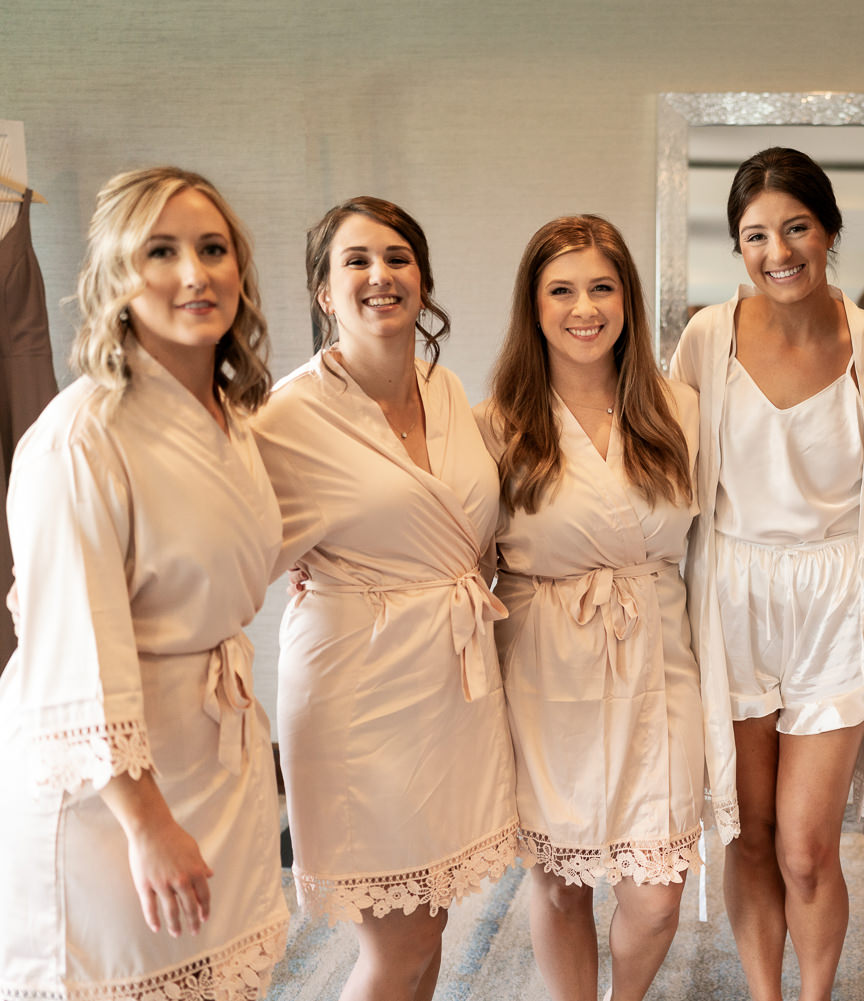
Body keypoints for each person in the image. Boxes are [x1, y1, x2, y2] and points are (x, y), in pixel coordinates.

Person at [0, 167, 287, 998]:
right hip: (108, 793)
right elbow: (74, 649)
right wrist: (147, 823)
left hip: (217, 752)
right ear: (118, 280)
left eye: (212, 248)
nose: (195, 273)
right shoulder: (79, 440)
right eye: (161, 251)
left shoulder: (231, 418)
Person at [253, 197, 519, 1001]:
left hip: (449, 683)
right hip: (357, 690)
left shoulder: (447, 389)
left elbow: (471, 525)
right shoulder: (289, 413)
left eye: (398, 258)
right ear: (325, 293)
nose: (381, 275)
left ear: (424, 281)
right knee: (395, 943)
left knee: (428, 923)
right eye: (356, 261)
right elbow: (233, 541)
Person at [669, 146, 864, 1001]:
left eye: (796, 227)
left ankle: (814, 994)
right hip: (733, 598)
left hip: (837, 600)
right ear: (738, 247)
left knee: (807, 844)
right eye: (755, 234)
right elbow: (664, 466)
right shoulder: (706, 337)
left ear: (829, 230)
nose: (778, 250)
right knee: (750, 833)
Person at [476, 214, 711, 1001]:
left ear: (629, 300)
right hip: (546, 664)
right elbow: (456, 547)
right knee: (559, 879)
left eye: (602, 287)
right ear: (533, 305)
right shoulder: (498, 422)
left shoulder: (677, 409)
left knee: (656, 892)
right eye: (562, 289)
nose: (585, 308)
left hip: (657, 656)